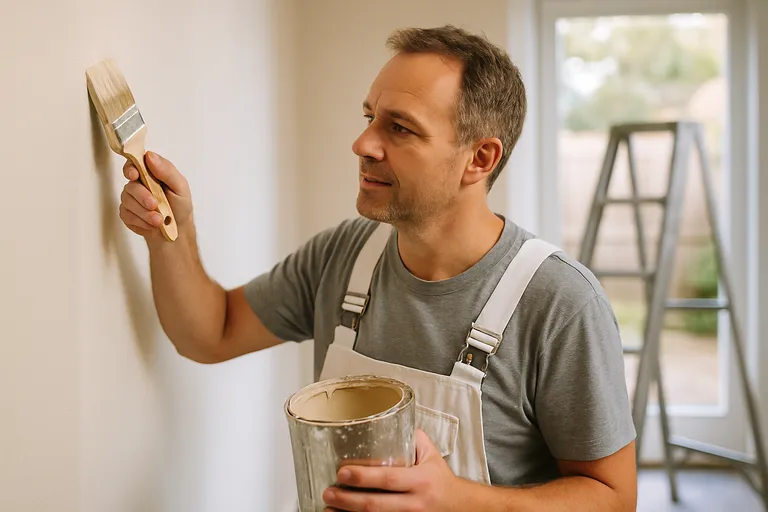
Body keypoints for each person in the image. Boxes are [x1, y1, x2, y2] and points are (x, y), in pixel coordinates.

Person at [119, 25, 637, 512]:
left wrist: (456, 499)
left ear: (479, 158)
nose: (363, 144)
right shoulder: (343, 256)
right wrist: (172, 236)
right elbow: (211, 333)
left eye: (401, 129)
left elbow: (614, 498)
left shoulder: (560, 303)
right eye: (370, 118)